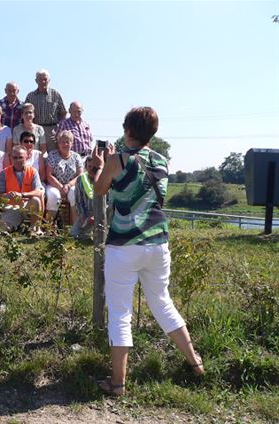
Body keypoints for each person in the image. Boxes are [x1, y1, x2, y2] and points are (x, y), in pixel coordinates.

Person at [92, 106, 204, 397]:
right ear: (151, 133)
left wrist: (100, 166)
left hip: (124, 244)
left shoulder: (117, 159)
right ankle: (195, 363)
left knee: (119, 313)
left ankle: (117, 383)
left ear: (127, 130)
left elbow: (99, 190)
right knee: (163, 303)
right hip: (157, 241)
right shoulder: (161, 160)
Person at [0, 145, 44, 235]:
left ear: (26, 157)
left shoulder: (33, 172)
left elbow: (38, 191)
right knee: (3, 230)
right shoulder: (4, 173)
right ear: (10, 158)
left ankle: (33, 229)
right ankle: (16, 228)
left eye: (20, 157)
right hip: (11, 207)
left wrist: (22, 195)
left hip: (27, 206)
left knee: (36, 200)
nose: (17, 160)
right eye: (15, 157)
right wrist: (7, 195)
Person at [45, 130, 84, 224]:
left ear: (72, 143)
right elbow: (48, 175)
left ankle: (74, 227)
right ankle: (47, 227)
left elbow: (80, 175)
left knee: (74, 194)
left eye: (67, 142)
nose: (65, 144)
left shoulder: (76, 156)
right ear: (58, 143)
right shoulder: (52, 155)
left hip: (71, 185)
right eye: (62, 142)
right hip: (54, 185)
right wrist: (60, 187)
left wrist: (68, 186)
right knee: (54, 196)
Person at [25, 69, 67, 152]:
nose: (43, 81)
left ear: (49, 80)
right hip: (35, 129)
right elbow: (24, 113)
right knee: (35, 154)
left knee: (53, 154)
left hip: (52, 130)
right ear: (36, 81)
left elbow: (63, 113)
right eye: (40, 79)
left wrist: (59, 129)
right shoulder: (30, 96)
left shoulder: (55, 94)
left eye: (45, 79)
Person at [71, 156, 96, 240]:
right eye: (89, 167)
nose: (92, 169)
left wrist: (98, 216)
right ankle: (87, 232)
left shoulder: (105, 179)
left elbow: (110, 203)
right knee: (74, 234)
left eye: (94, 167)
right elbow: (78, 201)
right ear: (86, 167)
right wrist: (82, 216)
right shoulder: (81, 179)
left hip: (103, 215)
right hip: (87, 214)